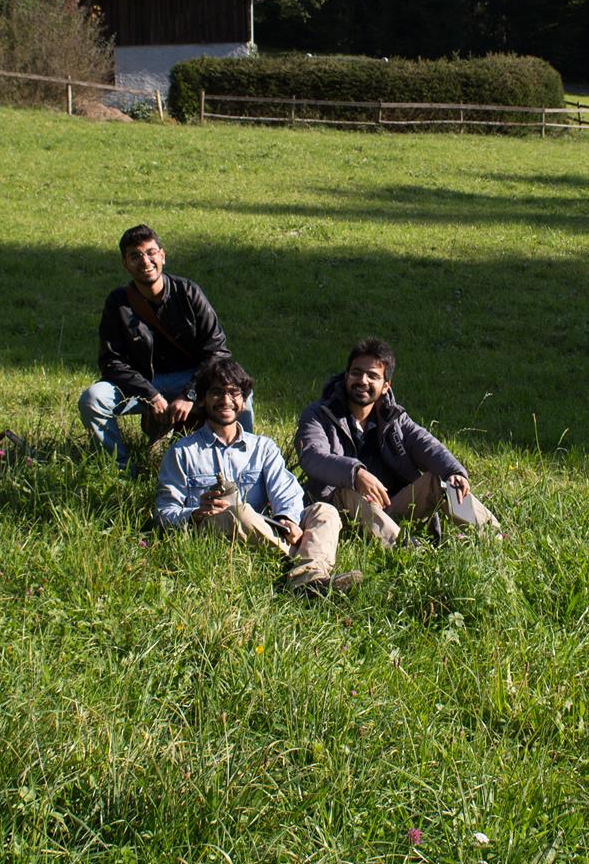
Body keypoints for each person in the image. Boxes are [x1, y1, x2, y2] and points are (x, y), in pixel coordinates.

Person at [156, 357, 358, 598]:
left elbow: (286, 491)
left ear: (243, 401)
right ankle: (303, 568)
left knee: (324, 511)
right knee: (239, 512)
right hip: (216, 532)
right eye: (217, 392)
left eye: (234, 393)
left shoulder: (263, 447)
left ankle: (307, 581)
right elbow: (164, 512)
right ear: (202, 400)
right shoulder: (182, 452)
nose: (226, 400)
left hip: (265, 528)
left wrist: (288, 519)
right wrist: (196, 513)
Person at [296, 337, 501, 545]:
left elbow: (426, 445)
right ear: (346, 375)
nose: (363, 381)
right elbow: (312, 455)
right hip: (341, 512)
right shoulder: (319, 414)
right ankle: (405, 550)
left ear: (386, 386)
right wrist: (356, 474)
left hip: (390, 507)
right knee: (347, 493)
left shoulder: (394, 419)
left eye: (372, 376)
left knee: (441, 481)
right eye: (356, 373)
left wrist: (453, 471)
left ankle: (493, 538)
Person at [78, 224, 246, 466]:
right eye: (135, 256)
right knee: (92, 399)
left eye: (151, 253)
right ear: (125, 264)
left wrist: (190, 393)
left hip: (191, 380)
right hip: (142, 384)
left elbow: (217, 351)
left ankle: (242, 463)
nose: (145, 261)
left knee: (239, 392)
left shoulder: (188, 292)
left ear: (163, 256)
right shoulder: (118, 303)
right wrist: (150, 394)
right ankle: (120, 469)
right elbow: (111, 361)